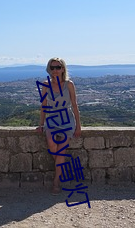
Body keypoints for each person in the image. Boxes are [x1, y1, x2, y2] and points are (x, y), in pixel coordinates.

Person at [36, 57, 81, 195]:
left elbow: (74, 105)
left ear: (63, 69)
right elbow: (43, 106)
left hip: (67, 119)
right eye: (52, 67)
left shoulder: (69, 84)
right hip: (52, 118)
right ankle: (61, 167)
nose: (55, 70)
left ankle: (56, 181)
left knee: (60, 150)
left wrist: (78, 125)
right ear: (49, 69)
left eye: (58, 67)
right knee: (52, 144)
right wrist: (41, 124)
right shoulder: (45, 85)